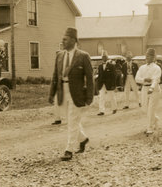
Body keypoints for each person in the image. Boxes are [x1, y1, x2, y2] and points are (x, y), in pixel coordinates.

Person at [48, 27, 93, 161]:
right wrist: (51, 93)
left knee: (72, 121)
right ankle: (83, 139)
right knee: (70, 119)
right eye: (63, 39)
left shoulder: (83, 56)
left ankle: (69, 150)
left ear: (73, 40)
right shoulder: (59, 55)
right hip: (63, 91)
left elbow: (90, 78)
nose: (63, 41)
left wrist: (90, 97)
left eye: (65, 39)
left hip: (77, 93)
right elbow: (55, 75)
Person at [135, 48, 162, 135]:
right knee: (144, 108)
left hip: (154, 90)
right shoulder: (142, 67)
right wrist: (144, 79)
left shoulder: (157, 68)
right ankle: (155, 119)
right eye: (146, 55)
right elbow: (137, 78)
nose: (147, 57)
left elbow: (155, 79)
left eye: (150, 56)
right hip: (144, 88)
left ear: (154, 57)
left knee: (151, 109)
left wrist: (152, 88)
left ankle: (149, 128)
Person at [96, 52, 117, 116]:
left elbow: (114, 76)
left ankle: (114, 108)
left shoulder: (111, 66)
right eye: (103, 57)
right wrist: (98, 85)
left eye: (105, 56)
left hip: (109, 84)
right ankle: (101, 110)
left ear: (107, 57)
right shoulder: (99, 66)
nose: (104, 58)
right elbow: (99, 76)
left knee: (111, 96)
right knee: (101, 97)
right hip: (102, 84)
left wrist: (114, 85)